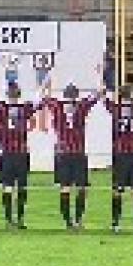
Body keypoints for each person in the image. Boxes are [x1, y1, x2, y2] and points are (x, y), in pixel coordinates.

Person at [43, 83, 103, 230]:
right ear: (76, 95)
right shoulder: (81, 106)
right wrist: (100, 80)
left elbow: (44, 97)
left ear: (64, 94)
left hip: (62, 153)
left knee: (65, 188)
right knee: (82, 188)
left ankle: (68, 222)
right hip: (78, 153)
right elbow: (98, 94)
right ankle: (78, 220)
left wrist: (46, 84)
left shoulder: (57, 106)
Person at [0, 83, 42, 229]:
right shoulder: (25, 108)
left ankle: (8, 220)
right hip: (21, 154)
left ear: (7, 94)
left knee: (8, 187)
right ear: (19, 94)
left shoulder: (1, 107)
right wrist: (42, 87)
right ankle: (20, 219)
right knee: (22, 187)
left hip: (7, 154)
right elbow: (39, 102)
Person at [105, 86, 133, 234]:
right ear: (131, 96)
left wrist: (103, 85)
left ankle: (115, 223)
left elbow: (105, 100)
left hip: (120, 154)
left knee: (117, 190)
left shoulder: (115, 109)